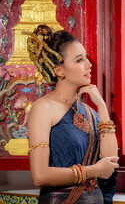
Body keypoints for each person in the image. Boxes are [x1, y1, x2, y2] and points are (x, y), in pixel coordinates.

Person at [26, 25, 119, 204]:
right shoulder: (44, 107)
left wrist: (102, 106)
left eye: (86, 58)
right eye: (79, 60)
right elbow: (39, 176)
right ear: (59, 70)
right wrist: (93, 171)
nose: (89, 65)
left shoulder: (90, 112)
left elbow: (108, 167)